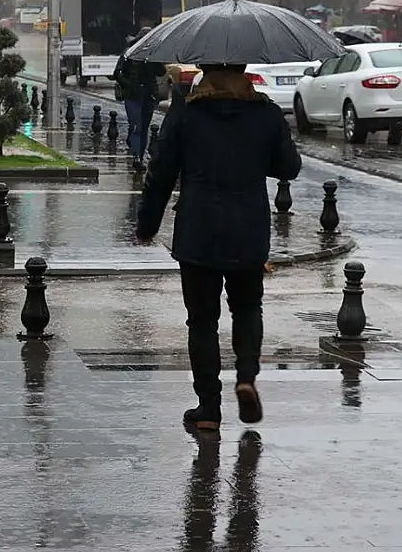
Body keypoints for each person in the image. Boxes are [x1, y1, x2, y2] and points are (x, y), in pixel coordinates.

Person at [136, 63, 302, 433]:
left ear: (205, 71)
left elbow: (161, 171)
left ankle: (208, 407)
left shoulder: (186, 115)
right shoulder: (267, 113)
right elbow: (289, 167)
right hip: (249, 230)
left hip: (199, 231)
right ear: (243, 70)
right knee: (246, 308)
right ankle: (246, 378)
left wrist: (147, 225)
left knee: (202, 321)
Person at [114, 28, 166, 170]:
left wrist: (157, 58)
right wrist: (130, 85)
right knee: (137, 126)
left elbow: (161, 72)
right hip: (133, 95)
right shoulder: (129, 52)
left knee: (143, 128)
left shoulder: (152, 53)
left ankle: (140, 157)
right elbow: (117, 73)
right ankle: (137, 156)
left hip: (148, 95)